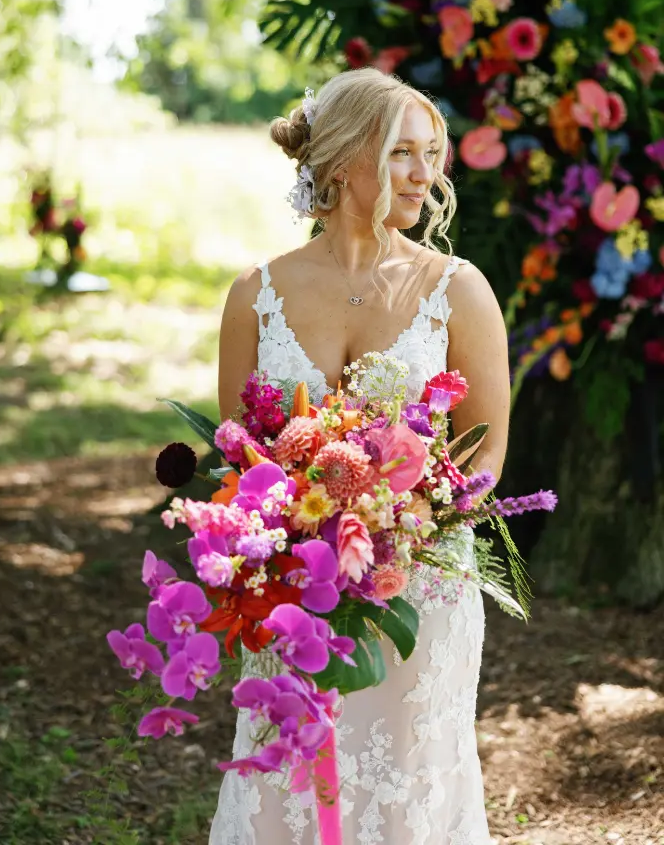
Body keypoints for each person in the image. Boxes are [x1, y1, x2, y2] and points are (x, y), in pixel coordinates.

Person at [209, 68, 510, 845]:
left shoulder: (457, 289)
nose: (425, 173)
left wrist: (402, 529)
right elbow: (241, 458)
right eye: (403, 153)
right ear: (344, 162)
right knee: (287, 782)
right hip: (294, 592)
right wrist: (289, 543)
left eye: (431, 153)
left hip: (420, 590)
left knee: (409, 785)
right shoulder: (256, 293)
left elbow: (485, 447)